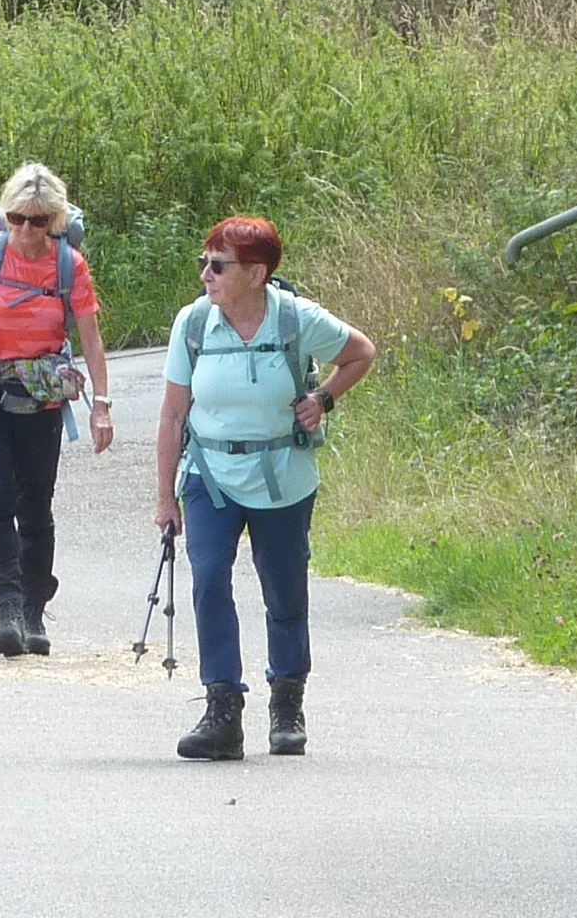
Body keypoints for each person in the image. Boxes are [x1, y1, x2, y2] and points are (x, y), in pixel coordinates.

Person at [153, 216, 376, 761]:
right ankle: (222, 709)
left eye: (218, 265)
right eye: (204, 263)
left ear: (256, 274)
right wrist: (165, 496)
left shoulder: (297, 319)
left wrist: (322, 399)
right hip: (210, 476)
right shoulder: (193, 324)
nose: (206, 275)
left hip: (283, 477)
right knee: (209, 579)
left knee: (284, 588)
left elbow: (361, 353)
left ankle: (287, 704)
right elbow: (174, 414)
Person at [0, 163, 113, 657]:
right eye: (17, 218)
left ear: (55, 221)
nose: (26, 230)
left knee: (36, 502)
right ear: (5, 216)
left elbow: (91, 339)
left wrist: (101, 405)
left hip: (41, 394)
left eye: (38, 221)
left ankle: (34, 607)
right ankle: (5, 606)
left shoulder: (69, 265)